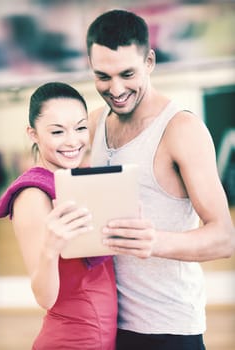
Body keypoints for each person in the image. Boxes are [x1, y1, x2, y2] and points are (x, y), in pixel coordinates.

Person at [86, 9, 235, 350]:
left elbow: (225, 238)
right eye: (103, 77)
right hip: (107, 323)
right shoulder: (93, 124)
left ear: (149, 61)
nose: (116, 89)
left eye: (127, 73)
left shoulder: (181, 129)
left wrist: (155, 242)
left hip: (169, 328)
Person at [0, 82, 117, 350]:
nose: (73, 141)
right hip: (72, 342)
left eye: (81, 128)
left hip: (101, 335)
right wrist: (50, 247)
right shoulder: (32, 195)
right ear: (33, 134)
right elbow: (44, 297)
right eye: (58, 131)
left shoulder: (72, 181)